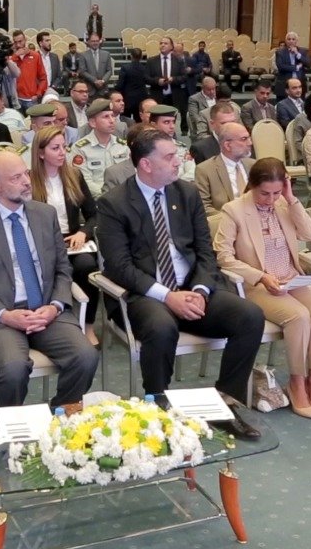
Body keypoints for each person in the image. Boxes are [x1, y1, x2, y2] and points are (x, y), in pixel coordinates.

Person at [94, 130, 265, 439]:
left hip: (191, 286)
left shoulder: (186, 194)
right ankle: (158, 404)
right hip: (144, 294)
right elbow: (119, 267)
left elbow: (205, 252)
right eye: (170, 157)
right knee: (161, 327)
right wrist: (168, 296)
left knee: (250, 315)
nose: (179, 161)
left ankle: (226, 403)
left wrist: (199, 290)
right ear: (146, 164)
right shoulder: (114, 204)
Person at [0, 151, 99, 407]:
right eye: (15, 178)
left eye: (26, 174)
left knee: (85, 356)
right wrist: (4, 315)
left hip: (46, 310)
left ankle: (60, 412)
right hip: (1, 317)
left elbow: (63, 269)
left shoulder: (45, 214)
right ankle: (14, 424)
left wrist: (55, 306)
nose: (26, 182)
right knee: (13, 369)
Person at [214, 158, 311, 418]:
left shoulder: (284, 203)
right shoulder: (234, 210)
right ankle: (297, 383)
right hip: (258, 285)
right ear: (252, 185)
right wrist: (260, 276)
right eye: (265, 193)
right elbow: (224, 257)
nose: (270, 199)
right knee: (299, 316)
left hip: (291, 277)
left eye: (276, 192)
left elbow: (309, 235)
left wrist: (291, 198)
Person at [29, 125, 101, 336]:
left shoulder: (74, 175)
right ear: (41, 153)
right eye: (55, 148)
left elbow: (94, 215)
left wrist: (83, 233)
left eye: (64, 147)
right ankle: (54, 323)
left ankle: (88, 325)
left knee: (87, 266)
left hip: (73, 239)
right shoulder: (29, 180)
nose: (62, 152)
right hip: (43, 242)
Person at [195, 121, 255, 220]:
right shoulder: (205, 170)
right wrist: (231, 219)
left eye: (249, 138)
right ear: (227, 145)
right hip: (226, 222)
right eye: (244, 139)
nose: (250, 143)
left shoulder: (253, 165)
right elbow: (203, 206)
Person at [146, 37, 188, 117]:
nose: (162, 45)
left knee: (173, 120)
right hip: (157, 96)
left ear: (171, 46)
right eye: (161, 43)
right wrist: (157, 81)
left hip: (174, 97)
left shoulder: (179, 60)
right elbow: (146, 78)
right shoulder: (151, 61)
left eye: (165, 43)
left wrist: (173, 79)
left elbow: (185, 77)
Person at [189, 100, 240, 164]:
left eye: (232, 122)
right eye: (224, 123)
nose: (229, 126)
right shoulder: (200, 149)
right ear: (212, 124)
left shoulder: (245, 143)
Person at [115, 47, 151, 118]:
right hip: (141, 99)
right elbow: (148, 81)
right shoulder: (144, 68)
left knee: (125, 120)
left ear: (131, 56)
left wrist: (115, 89)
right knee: (139, 121)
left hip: (127, 99)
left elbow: (120, 85)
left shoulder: (125, 68)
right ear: (141, 57)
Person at [274, 31, 310, 96]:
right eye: (289, 39)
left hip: (300, 83)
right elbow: (281, 66)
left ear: (296, 41)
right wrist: (296, 67)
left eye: (293, 39)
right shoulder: (280, 52)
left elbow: (308, 64)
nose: (291, 41)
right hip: (285, 84)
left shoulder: (303, 51)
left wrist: (297, 54)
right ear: (286, 41)